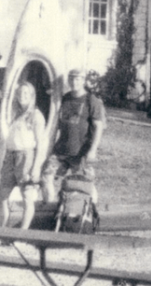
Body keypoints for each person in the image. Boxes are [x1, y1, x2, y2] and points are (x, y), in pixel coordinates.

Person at [41, 69, 106, 204]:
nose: (74, 82)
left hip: (80, 153)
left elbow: (98, 126)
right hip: (61, 151)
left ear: (83, 81)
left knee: (84, 183)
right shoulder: (65, 98)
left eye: (78, 79)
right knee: (47, 175)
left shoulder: (91, 100)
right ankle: (50, 205)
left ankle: (91, 207)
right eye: (71, 79)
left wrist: (93, 150)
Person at [0, 82, 46, 231]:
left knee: (27, 197)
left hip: (26, 157)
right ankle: (2, 231)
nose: (22, 96)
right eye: (19, 93)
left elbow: (41, 144)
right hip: (10, 156)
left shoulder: (36, 116)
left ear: (32, 96)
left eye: (26, 94)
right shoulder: (15, 114)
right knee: (2, 196)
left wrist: (36, 167)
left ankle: (22, 234)